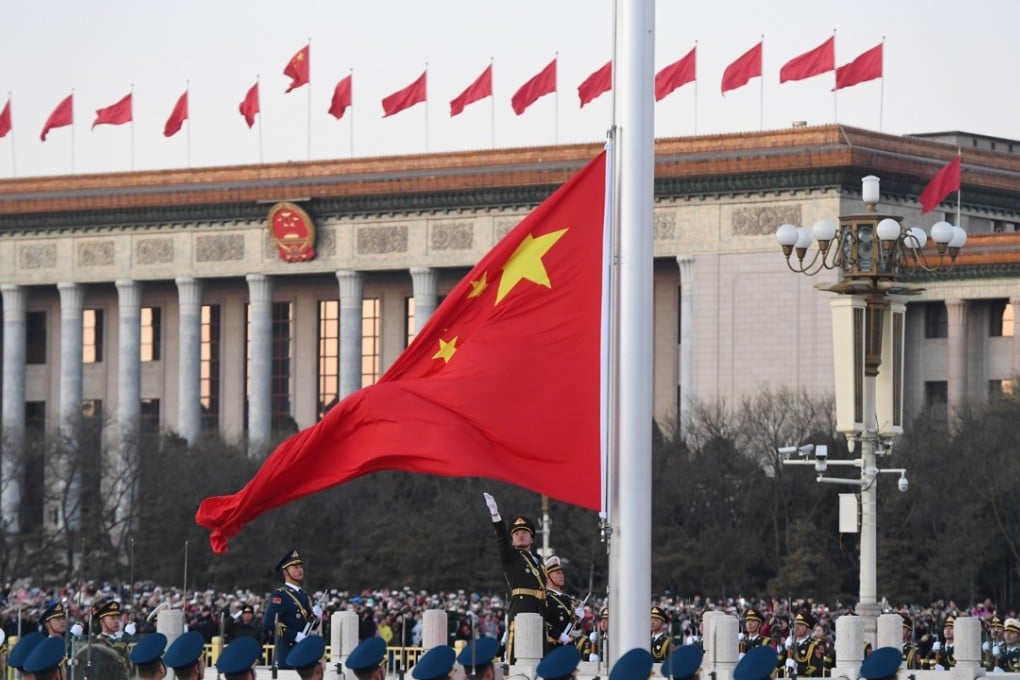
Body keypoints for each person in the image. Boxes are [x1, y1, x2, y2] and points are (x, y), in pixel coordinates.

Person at [483, 493, 546, 661]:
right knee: (517, 659)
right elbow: (501, 540)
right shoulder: (512, 558)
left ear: (532, 538)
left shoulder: (539, 562)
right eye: (516, 533)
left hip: (540, 612)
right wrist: (496, 517)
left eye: (525, 532)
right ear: (512, 540)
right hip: (522, 611)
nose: (520, 535)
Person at [264, 548, 321, 670]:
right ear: (285, 572)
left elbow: (310, 624)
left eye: (301, 567)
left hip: (304, 653)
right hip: (287, 653)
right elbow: (269, 623)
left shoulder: (304, 595)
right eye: (295, 567)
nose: (300, 570)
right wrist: (294, 635)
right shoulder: (280, 595)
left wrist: (317, 619)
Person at [74, 599, 132, 680]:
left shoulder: (120, 640)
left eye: (117, 618)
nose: (116, 621)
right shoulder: (96, 642)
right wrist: (127, 637)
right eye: (112, 618)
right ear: (102, 622)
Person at [543, 556, 584, 652]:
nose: (562, 576)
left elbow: (575, 631)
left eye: (562, 573)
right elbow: (542, 622)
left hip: (569, 648)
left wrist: (578, 621)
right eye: (557, 573)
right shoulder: (545, 597)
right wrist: (559, 635)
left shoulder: (567, 599)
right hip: (552, 648)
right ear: (548, 578)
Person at [785, 611, 824, 677]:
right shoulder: (790, 643)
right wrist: (785, 648)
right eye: (796, 625)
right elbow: (777, 666)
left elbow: (817, 669)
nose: (797, 628)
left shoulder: (815, 645)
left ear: (808, 628)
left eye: (801, 625)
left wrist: (796, 667)